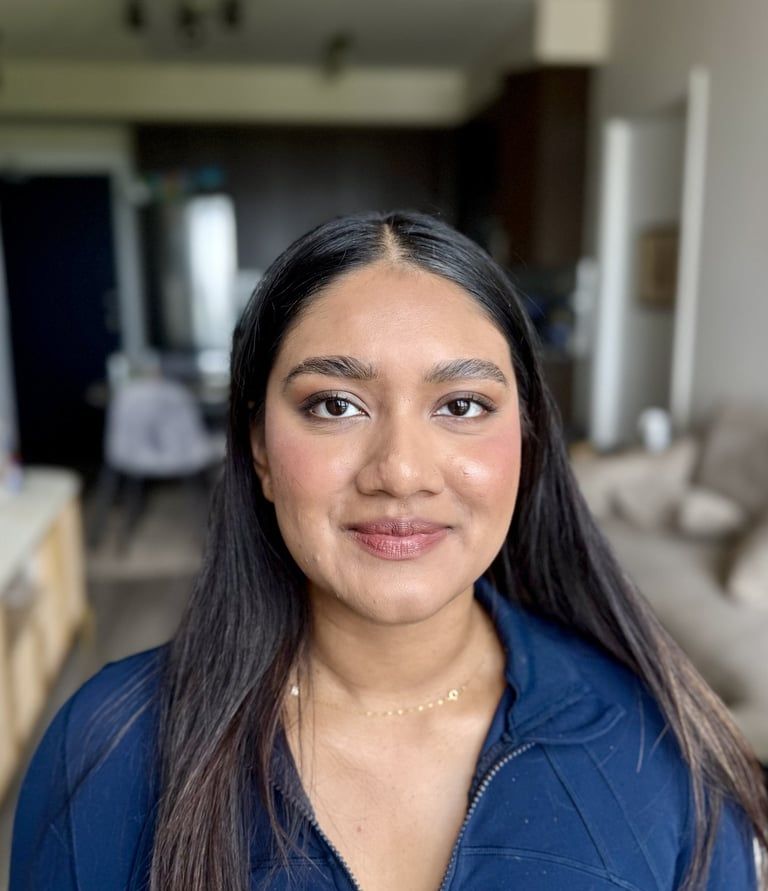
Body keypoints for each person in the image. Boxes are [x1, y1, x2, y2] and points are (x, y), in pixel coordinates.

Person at [10, 210, 768, 891]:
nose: (401, 471)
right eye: (335, 405)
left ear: (527, 439)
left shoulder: (660, 746)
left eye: (462, 405)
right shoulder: (106, 749)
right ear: (260, 448)